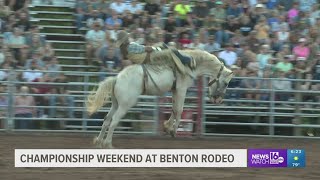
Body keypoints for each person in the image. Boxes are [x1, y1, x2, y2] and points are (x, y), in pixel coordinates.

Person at [115, 30, 196, 76]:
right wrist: (156, 49)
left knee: (162, 44)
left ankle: (174, 57)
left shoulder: (124, 50)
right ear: (126, 39)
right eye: (127, 37)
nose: (129, 38)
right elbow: (146, 49)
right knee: (171, 50)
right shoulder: (130, 46)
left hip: (143, 58)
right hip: (148, 56)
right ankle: (186, 60)